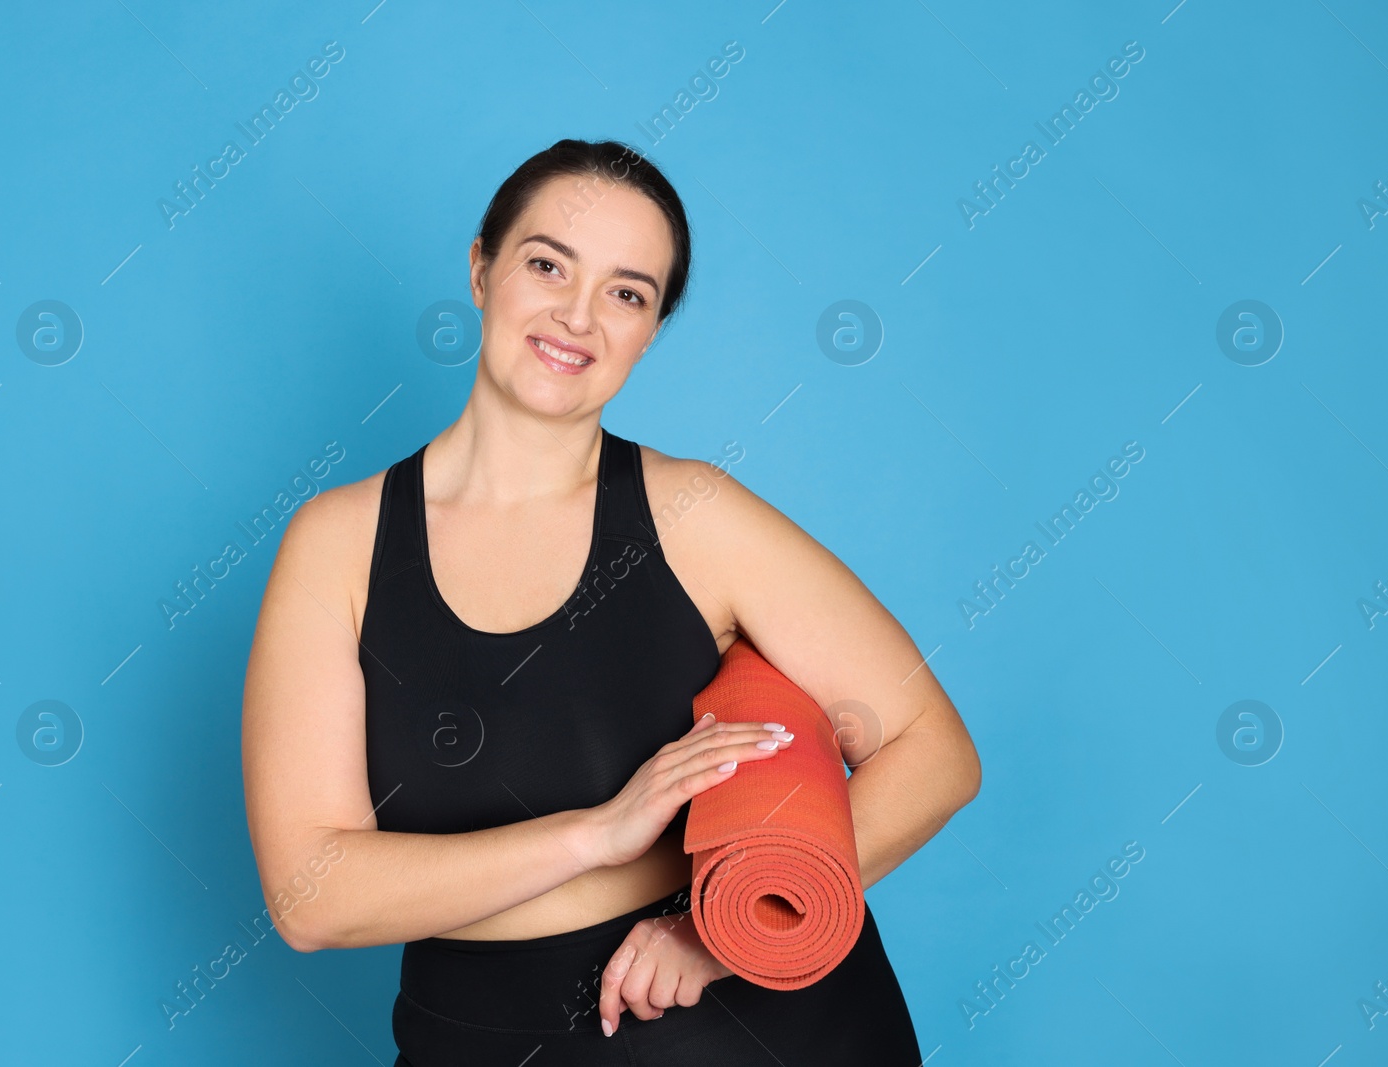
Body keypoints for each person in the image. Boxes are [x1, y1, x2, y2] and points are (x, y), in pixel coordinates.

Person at [242, 138, 981, 1065]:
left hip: (750, 1036)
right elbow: (311, 896)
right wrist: (596, 833)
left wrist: (724, 933)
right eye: (547, 264)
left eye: (627, 292)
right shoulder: (336, 544)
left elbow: (935, 751)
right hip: (468, 1038)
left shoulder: (694, 514)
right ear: (481, 268)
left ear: (652, 328)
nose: (577, 316)